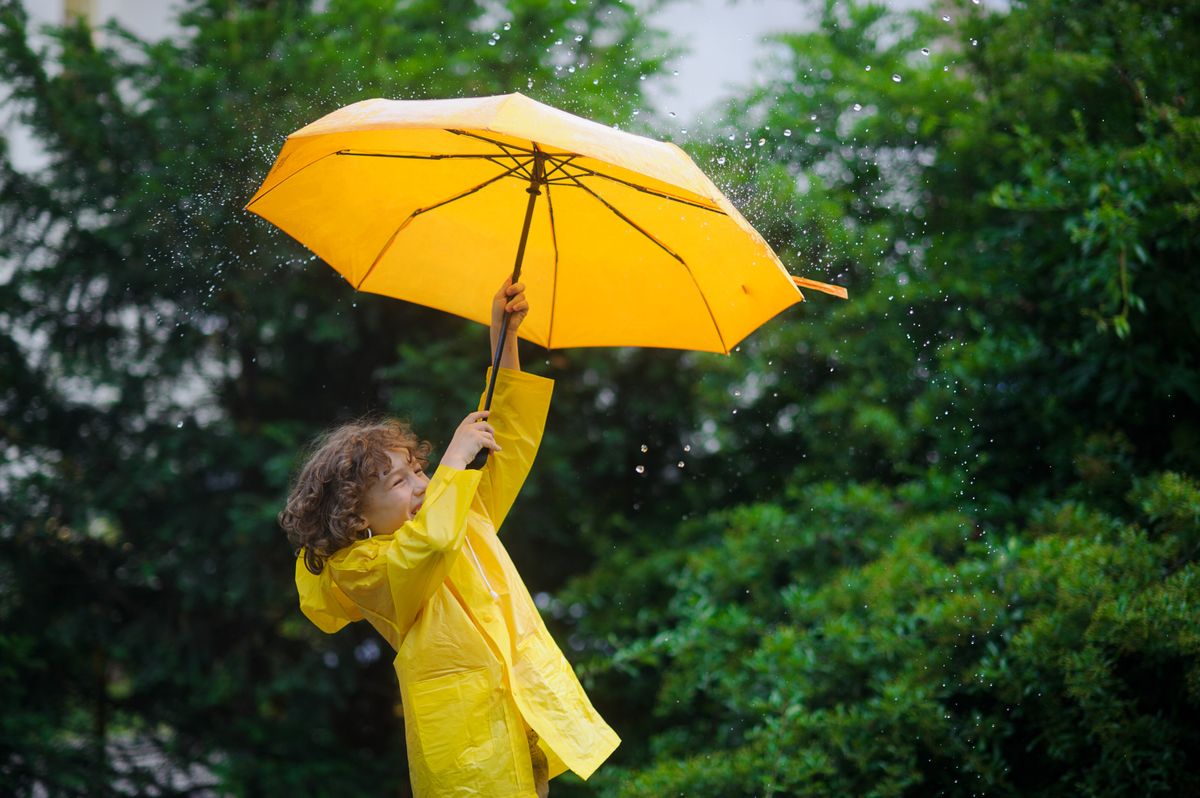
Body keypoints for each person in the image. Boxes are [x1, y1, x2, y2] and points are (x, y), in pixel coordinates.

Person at [279, 278, 620, 798]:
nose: (422, 483)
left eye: (419, 469)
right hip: (468, 751)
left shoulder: (458, 511)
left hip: (525, 710)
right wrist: (454, 460)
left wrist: (503, 341)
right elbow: (427, 549)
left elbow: (510, 438)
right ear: (355, 516)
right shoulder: (362, 567)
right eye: (400, 480)